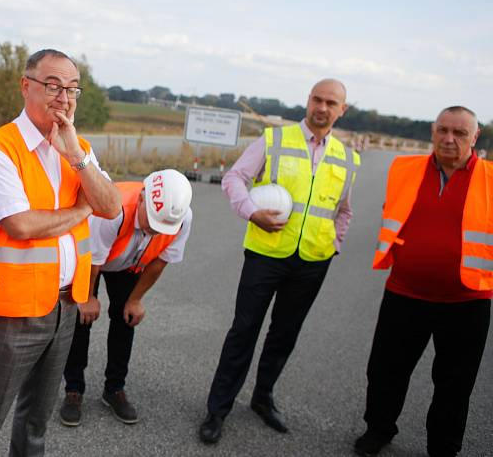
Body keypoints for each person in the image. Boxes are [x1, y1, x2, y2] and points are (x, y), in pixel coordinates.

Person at [0, 49, 121, 457]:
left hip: (65, 307)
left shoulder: (77, 148)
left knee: (36, 421)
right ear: (25, 85)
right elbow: (21, 225)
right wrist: (83, 208)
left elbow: (112, 206)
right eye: (52, 86)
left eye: (72, 89)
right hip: (14, 314)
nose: (63, 97)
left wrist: (76, 157)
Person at [199, 79, 361, 444]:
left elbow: (344, 209)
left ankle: (262, 397)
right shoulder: (274, 141)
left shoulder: (348, 158)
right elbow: (235, 177)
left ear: (342, 110)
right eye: (317, 99)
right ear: (308, 101)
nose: (322, 107)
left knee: (284, 334)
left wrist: (335, 243)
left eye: (331, 102)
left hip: (313, 261)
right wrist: (251, 212)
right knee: (244, 331)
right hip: (265, 254)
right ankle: (217, 409)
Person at [354, 106, 492, 457]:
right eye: (442, 130)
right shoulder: (404, 169)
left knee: (454, 385)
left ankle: (443, 448)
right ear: (433, 132)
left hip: (467, 301)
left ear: (475, 138)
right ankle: (379, 429)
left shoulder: (491, 179)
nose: (449, 139)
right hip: (404, 293)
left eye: (459, 133)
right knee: (385, 371)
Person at [60, 169, 193, 426]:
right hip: (93, 260)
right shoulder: (114, 209)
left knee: (126, 318)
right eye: (152, 221)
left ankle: (114, 389)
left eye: (161, 226)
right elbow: (94, 260)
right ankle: (73, 389)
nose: (155, 229)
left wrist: (136, 299)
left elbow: (160, 261)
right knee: (81, 319)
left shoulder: (181, 217)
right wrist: (87, 297)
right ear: (143, 197)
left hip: (128, 264)